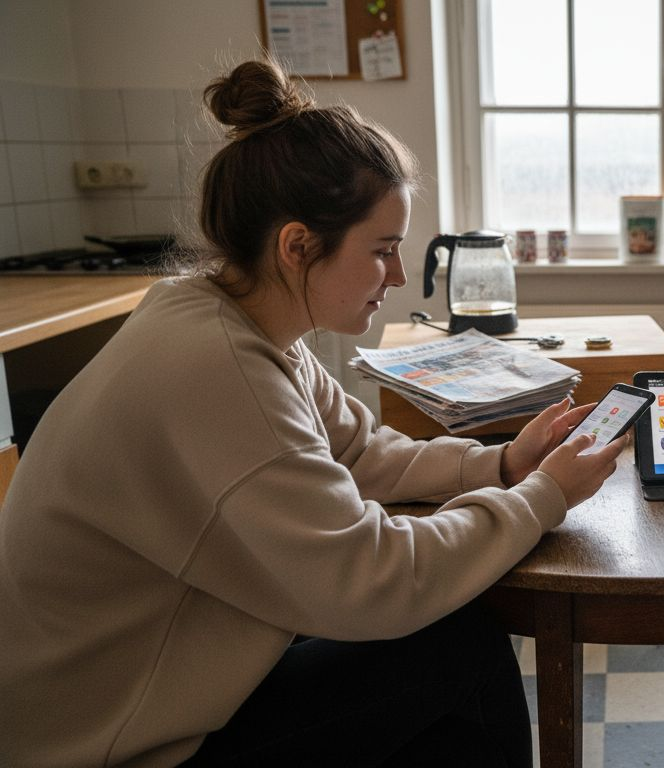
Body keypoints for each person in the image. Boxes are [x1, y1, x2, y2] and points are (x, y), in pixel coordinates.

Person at [0, 59, 625, 767]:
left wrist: (505, 462)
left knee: (431, 647)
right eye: (382, 250)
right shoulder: (214, 369)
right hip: (103, 747)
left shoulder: (233, 322)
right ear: (298, 246)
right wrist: (544, 496)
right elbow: (374, 579)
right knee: (457, 649)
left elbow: (357, 454)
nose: (395, 275)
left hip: (142, 692)